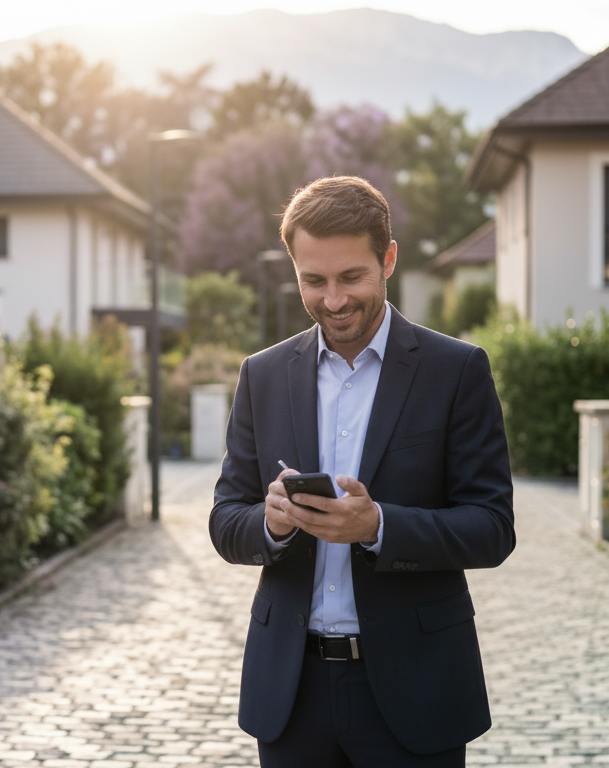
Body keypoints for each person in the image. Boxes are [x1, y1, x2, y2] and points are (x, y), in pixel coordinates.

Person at [209, 176, 515, 767]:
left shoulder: (457, 371)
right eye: (313, 280)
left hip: (417, 688)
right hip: (291, 692)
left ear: (388, 259)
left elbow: (492, 528)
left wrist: (378, 527)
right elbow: (225, 520)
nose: (333, 300)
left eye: (351, 277)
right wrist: (271, 524)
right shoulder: (261, 375)